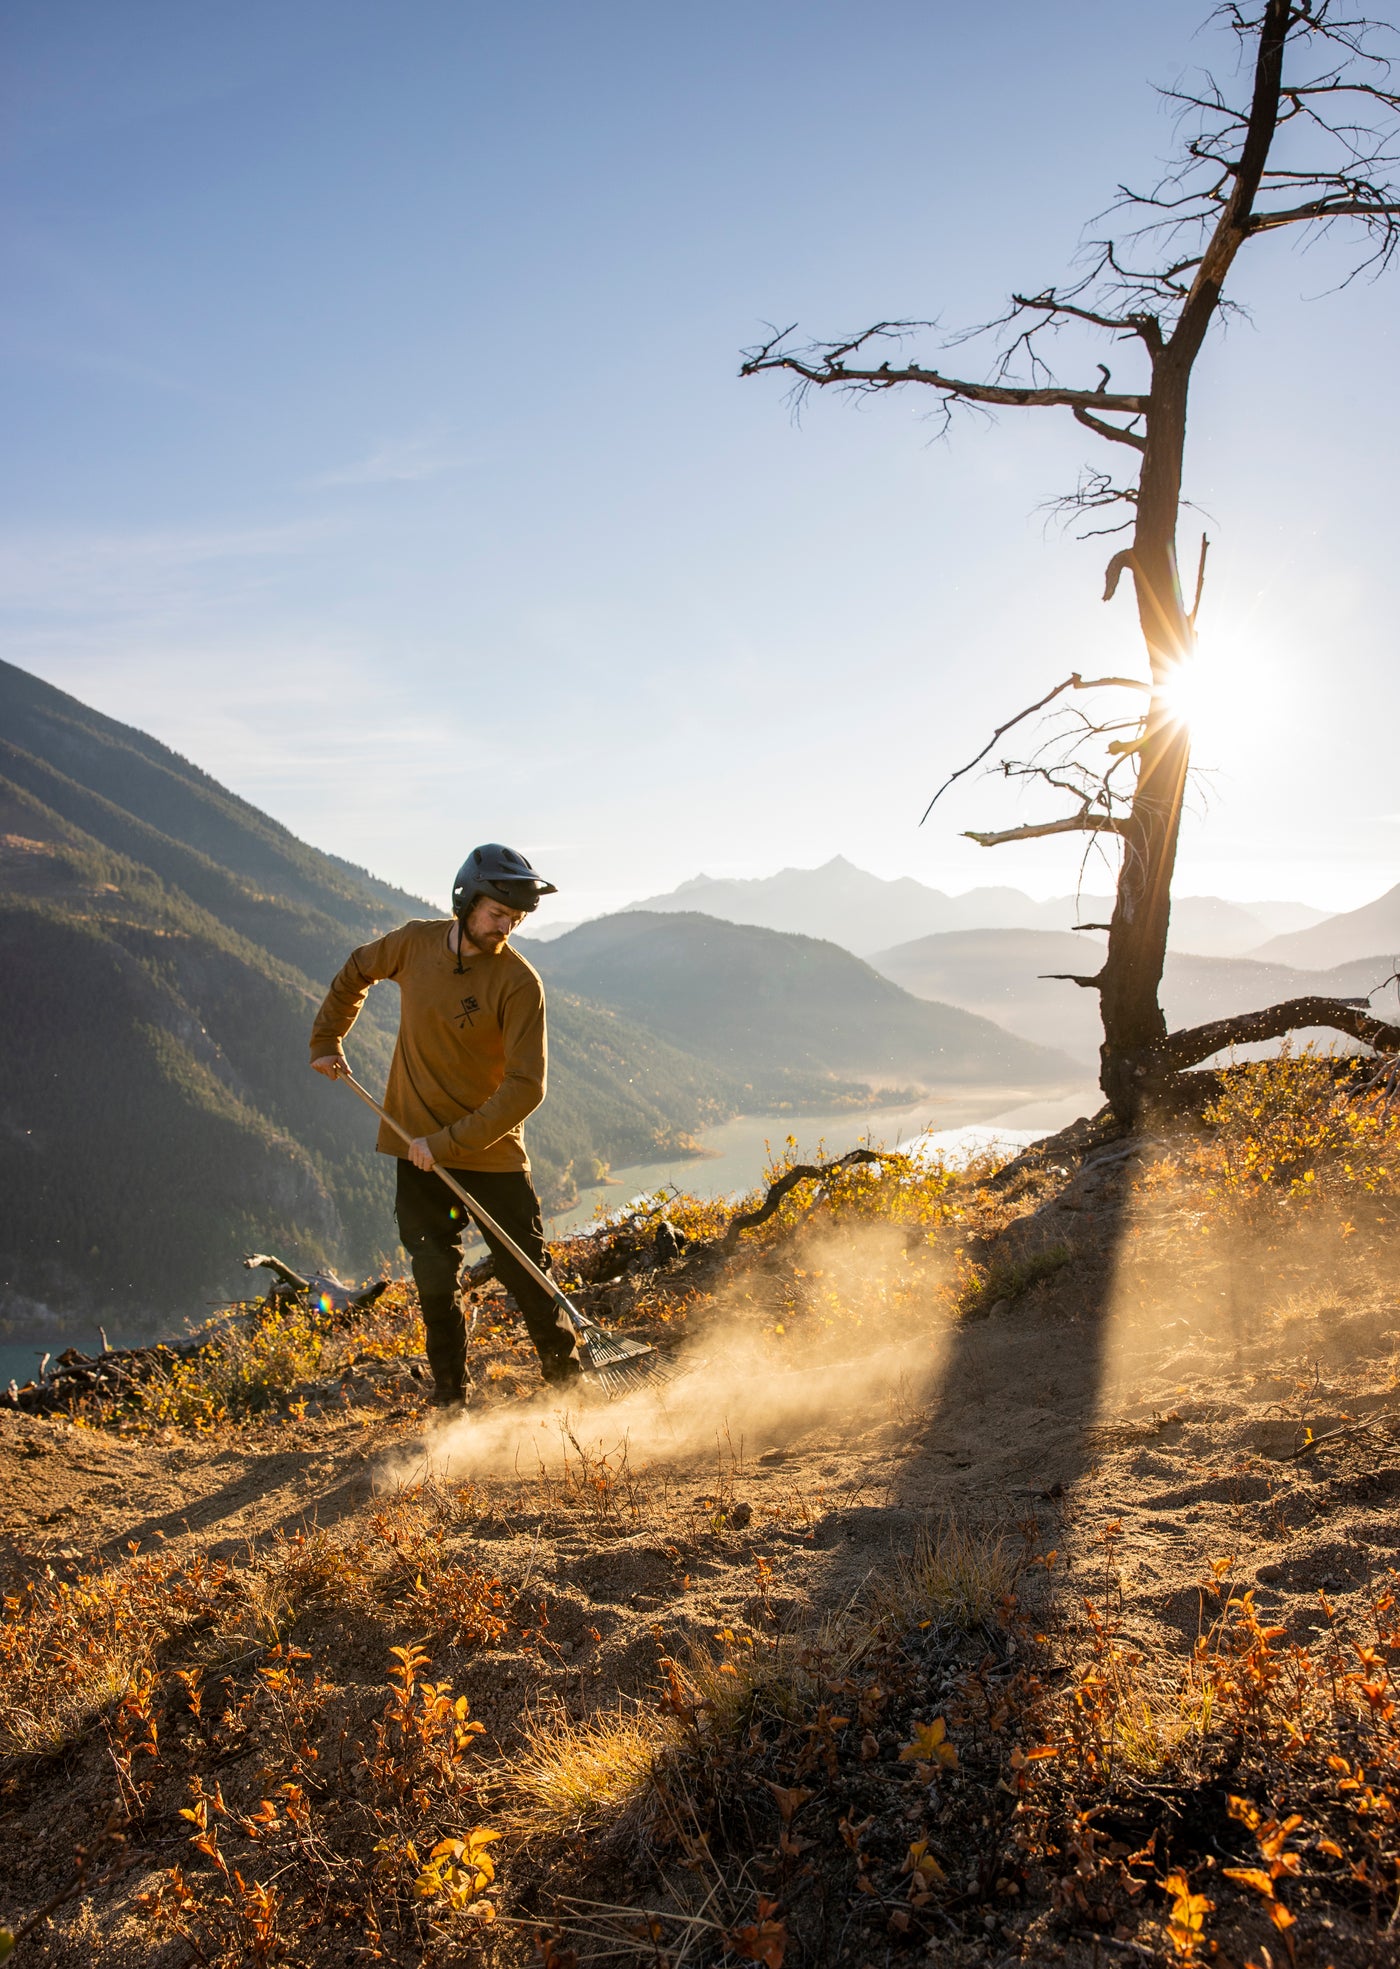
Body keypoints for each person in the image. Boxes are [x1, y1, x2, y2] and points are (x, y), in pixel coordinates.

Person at [309, 842, 576, 1407]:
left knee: (528, 1276)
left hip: (490, 1155)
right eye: (497, 914)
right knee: (434, 1281)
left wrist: (448, 1143)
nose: (506, 927)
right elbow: (358, 968)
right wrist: (327, 1039)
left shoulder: (519, 983)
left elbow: (528, 1086)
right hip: (415, 1149)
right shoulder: (413, 943)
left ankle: (571, 1394)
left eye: (516, 919)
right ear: (467, 900)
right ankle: (451, 1403)